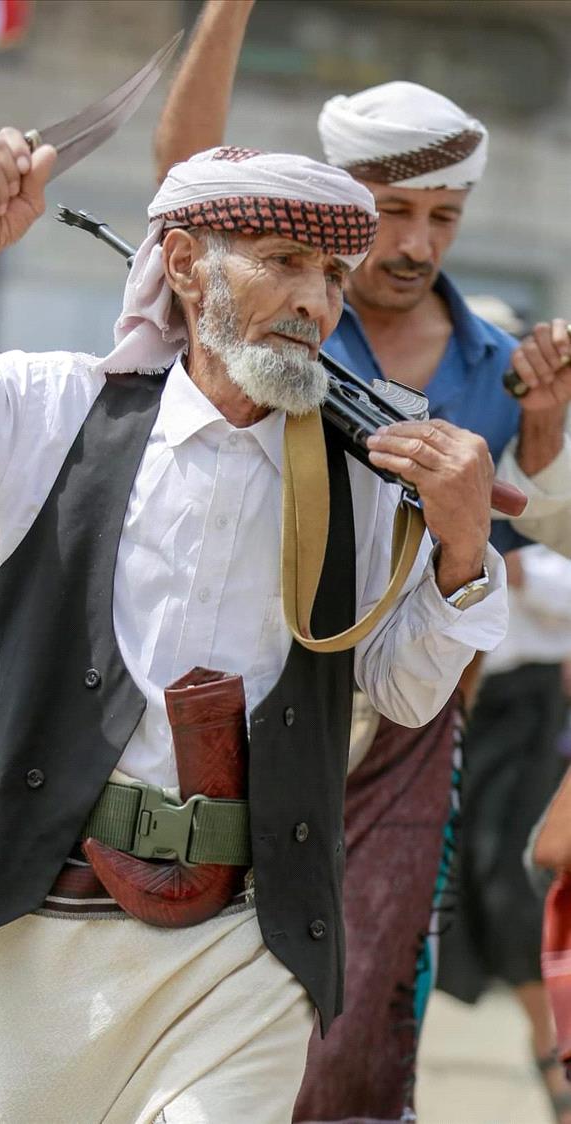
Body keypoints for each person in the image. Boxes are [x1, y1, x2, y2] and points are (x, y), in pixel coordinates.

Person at [0, 136, 508, 1120]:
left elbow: (404, 690)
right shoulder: (59, 409)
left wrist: (462, 549)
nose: (316, 302)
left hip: (244, 943)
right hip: (39, 917)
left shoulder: (363, 477)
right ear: (185, 264)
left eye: (331, 275)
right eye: (285, 261)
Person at [152, 4, 571, 1121]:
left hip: (406, 729)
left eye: (444, 216)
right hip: (241, 701)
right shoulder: (274, 314)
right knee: (197, 975)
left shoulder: (505, 365)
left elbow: (520, 546)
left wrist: (540, 444)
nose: (418, 244)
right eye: (391, 213)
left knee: (365, 1001)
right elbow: (184, 175)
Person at [437, 545, 571, 1124]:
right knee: (460, 881)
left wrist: (520, 573)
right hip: (451, 697)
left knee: (512, 881)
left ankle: (553, 1052)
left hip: (534, 706)